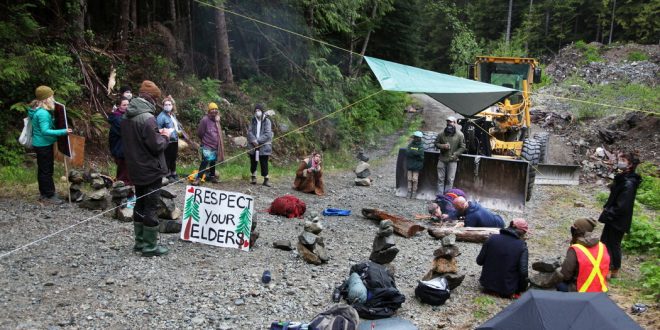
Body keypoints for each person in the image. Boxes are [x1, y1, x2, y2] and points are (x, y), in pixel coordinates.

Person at [121, 80, 171, 257]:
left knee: (140, 204)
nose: (157, 103)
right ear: (151, 98)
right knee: (151, 206)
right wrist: (165, 136)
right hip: (150, 169)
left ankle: (139, 243)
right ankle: (150, 247)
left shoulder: (126, 116)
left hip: (135, 168)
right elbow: (156, 145)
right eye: (156, 99)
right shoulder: (148, 119)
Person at [598, 150, 641, 278]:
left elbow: (622, 206)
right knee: (605, 241)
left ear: (630, 165)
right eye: (620, 159)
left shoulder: (629, 183)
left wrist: (608, 213)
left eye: (623, 160)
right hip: (614, 217)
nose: (620, 162)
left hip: (618, 219)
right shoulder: (624, 178)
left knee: (613, 243)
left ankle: (614, 269)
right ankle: (605, 266)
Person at [28, 85, 73, 204]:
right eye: (51, 96)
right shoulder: (42, 113)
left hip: (41, 144)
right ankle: (49, 195)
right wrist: (63, 131)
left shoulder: (39, 110)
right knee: (46, 171)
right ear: (46, 98)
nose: (53, 98)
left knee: (43, 170)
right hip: (43, 145)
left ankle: (44, 193)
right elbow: (45, 131)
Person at [552, 218, 610, 292]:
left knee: (556, 282)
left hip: (580, 290)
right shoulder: (602, 246)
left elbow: (565, 276)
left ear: (577, 231)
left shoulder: (576, 249)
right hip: (599, 289)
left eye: (574, 228)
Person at [476, 219, 530, 298]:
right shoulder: (522, 246)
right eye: (524, 231)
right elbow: (523, 271)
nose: (525, 233)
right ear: (516, 228)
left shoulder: (491, 238)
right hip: (507, 289)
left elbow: (479, 261)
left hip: (486, 285)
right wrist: (522, 288)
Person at [192, 102, 225, 185]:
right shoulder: (205, 120)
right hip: (207, 145)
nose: (214, 110)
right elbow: (200, 133)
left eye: (215, 109)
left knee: (213, 162)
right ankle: (198, 178)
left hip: (215, 145)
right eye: (212, 109)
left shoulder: (217, 119)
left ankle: (212, 177)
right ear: (209, 110)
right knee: (205, 161)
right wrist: (205, 140)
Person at [434, 115, 466, 194]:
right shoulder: (441, 134)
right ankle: (439, 196)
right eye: (448, 122)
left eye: (451, 122)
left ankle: (447, 197)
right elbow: (436, 143)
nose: (449, 123)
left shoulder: (460, 135)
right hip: (442, 159)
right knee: (440, 179)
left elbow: (463, 147)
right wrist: (443, 146)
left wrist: (455, 154)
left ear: (454, 123)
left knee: (450, 180)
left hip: (453, 161)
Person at [157, 95, 184, 181]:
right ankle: (168, 175)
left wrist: (181, 138)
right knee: (167, 158)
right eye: (166, 104)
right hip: (166, 141)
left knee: (173, 158)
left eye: (169, 104)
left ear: (172, 106)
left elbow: (177, 127)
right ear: (163, 105)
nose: (167, 106)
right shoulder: (161, 117)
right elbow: (158, 130)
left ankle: (173, 173)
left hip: (175, 140)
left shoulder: (173, 116)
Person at [247, 104, 274, 187]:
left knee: (264, 161)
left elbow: (268, 134)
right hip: (253, 145)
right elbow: (249, 131)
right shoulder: (253, 120)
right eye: (255, 111)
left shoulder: (267, 121)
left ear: (262, 111)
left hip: (264, 145)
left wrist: (258, 141)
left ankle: (266, 179)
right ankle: (253, 177)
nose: (257, 112)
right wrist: (253, 141)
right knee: (253, 161)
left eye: (258, 110)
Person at [405, 131, 425, 199]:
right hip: (410, 165)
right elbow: (407, 152)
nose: (415, 138)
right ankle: (409, 191)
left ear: (420, 138)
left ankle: (414, 192)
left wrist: (412, 152)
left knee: (415, 179)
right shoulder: (410, 144)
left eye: (417, 137)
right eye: (415, 137)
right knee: (409, 179)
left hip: (417, 166)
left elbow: (421, 155)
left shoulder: (421, 146)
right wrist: (415, 153)